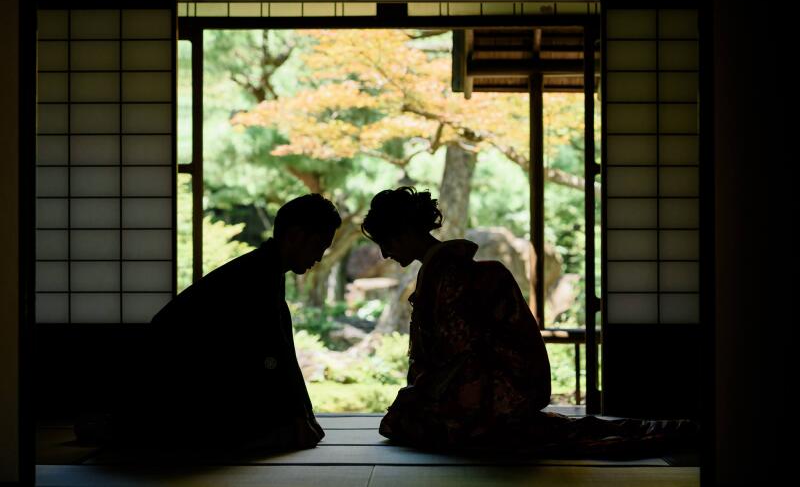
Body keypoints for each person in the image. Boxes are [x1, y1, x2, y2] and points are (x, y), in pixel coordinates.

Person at [362, 186, 696, 455]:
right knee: (404, 419)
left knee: (406, 421)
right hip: (489, 381)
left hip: (496, 387)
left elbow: (458, 352)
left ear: (405, 232)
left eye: (386, 242)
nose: (385, 254)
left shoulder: (451, 274)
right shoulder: (443, 271)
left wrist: (423, 392)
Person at [96, 193, 341, 450]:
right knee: (269, 432)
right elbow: (271, 356)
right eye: (319, 246)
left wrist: (303, 413)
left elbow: (281, 350)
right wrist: (295, 415)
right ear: (296, 236)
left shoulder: (262, 270)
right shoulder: (253, 278)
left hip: (179, 385)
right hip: (169, 391)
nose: (320, 257)